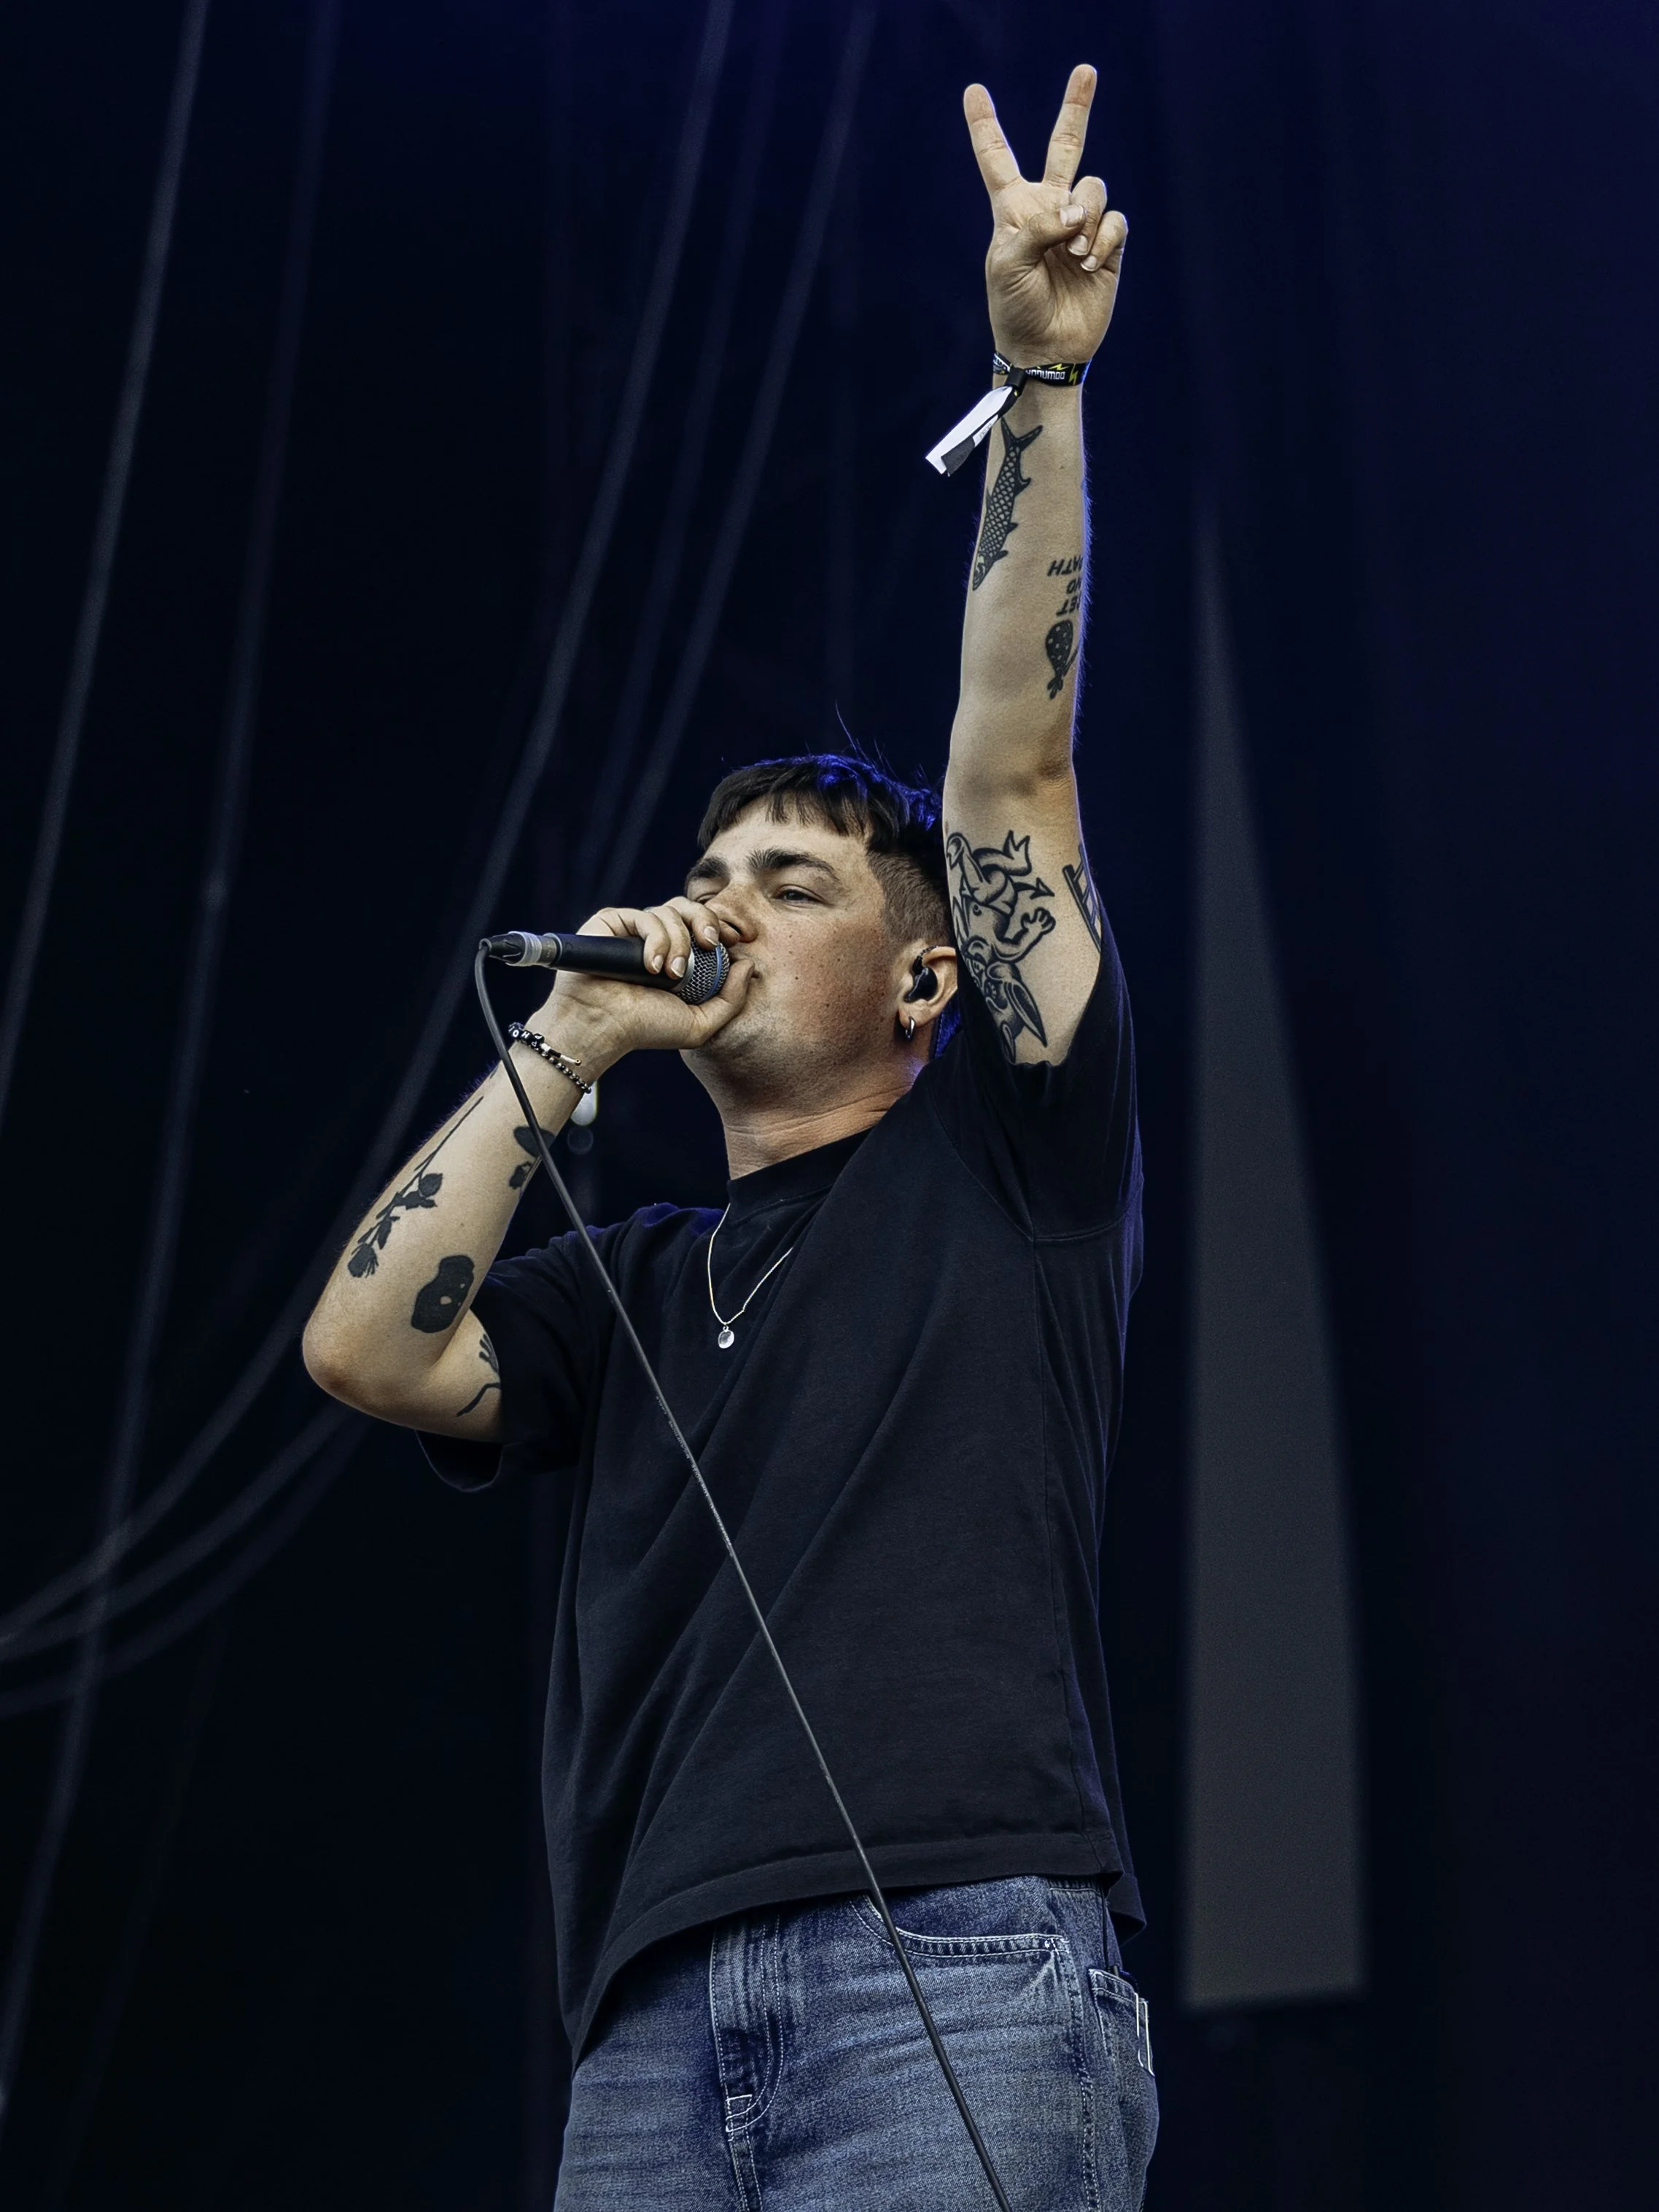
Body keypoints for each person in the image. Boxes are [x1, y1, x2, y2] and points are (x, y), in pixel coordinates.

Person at [303, 62, 1153, 2212]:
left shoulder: (1010, 1165)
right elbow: (372, 1353)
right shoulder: (638, 1283)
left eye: (799, 885)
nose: (730, 910)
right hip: (653, 2030)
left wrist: (1035, 383)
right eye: (719, 872)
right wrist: (567, 1045)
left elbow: (1013, 774)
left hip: (955, 1971)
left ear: (931, 975)